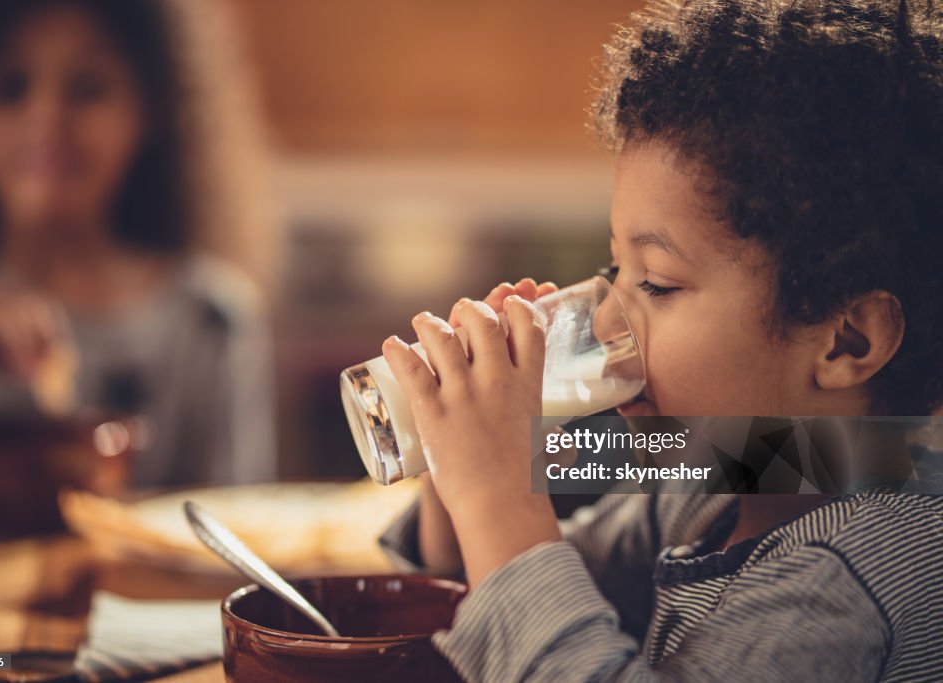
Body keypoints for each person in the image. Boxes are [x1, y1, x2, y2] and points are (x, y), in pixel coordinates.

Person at [380, 0, 943, 680]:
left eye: (659, 284)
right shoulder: (741, 469)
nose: (609, 321)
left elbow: (528, 599)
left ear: (846, 341)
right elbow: (513, 592)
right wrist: (461, 463)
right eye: (616, 269)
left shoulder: (843, 574)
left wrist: (499, 496)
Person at [0, 0, 276, 486]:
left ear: (152, 105)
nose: (46, 119)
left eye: (88, 88)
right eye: (10, 88)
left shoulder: (208, 319)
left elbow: (234, 527)